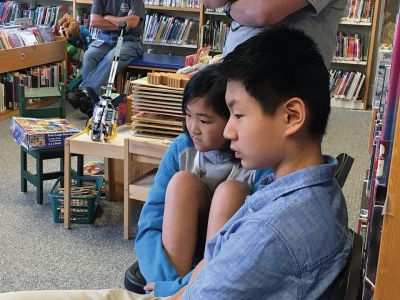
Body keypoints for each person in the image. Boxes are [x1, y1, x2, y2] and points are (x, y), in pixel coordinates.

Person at [0, 26, 353, 300]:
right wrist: (181, 284)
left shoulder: (274, 231)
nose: (229, 131)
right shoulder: (315, 189)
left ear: (292, 116)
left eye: (239, 115)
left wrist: (177, 289)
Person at [134, 63, 269, 296]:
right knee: (181, 183)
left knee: (230, 192)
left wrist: (190, 286)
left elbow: (251, 243)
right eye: (188, 115)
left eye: (205, 121)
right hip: (178, 263)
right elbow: (150, 222)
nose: (193, 128)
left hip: (221, 267)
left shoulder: (256, 160)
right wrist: (168, 286)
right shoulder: (181, 149)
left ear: (231, 119)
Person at [203, 0, 346, 67]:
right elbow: (210, 2)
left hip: (284, 77)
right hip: (238, 67)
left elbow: (261, 12)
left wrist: (229, 8)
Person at [69, 0, 145, 115]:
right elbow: (94, 21)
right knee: (89, 55)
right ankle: (93, 106)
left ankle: (87, 94)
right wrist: (122, 24)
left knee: (112, 58)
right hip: (105, 38)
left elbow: (133, 22)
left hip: (129, 40)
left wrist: (107, 18)